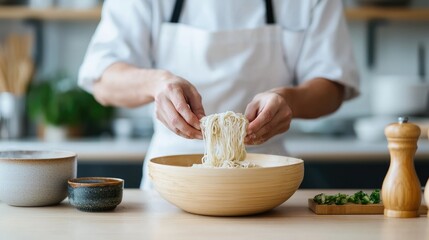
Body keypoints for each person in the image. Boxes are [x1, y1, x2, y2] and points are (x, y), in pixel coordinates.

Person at [78, 0, 359, 189]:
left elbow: (332, 86)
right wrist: (156, 83)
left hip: (265, 177)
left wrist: (289, 100)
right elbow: (102, 79)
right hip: (171, 180)